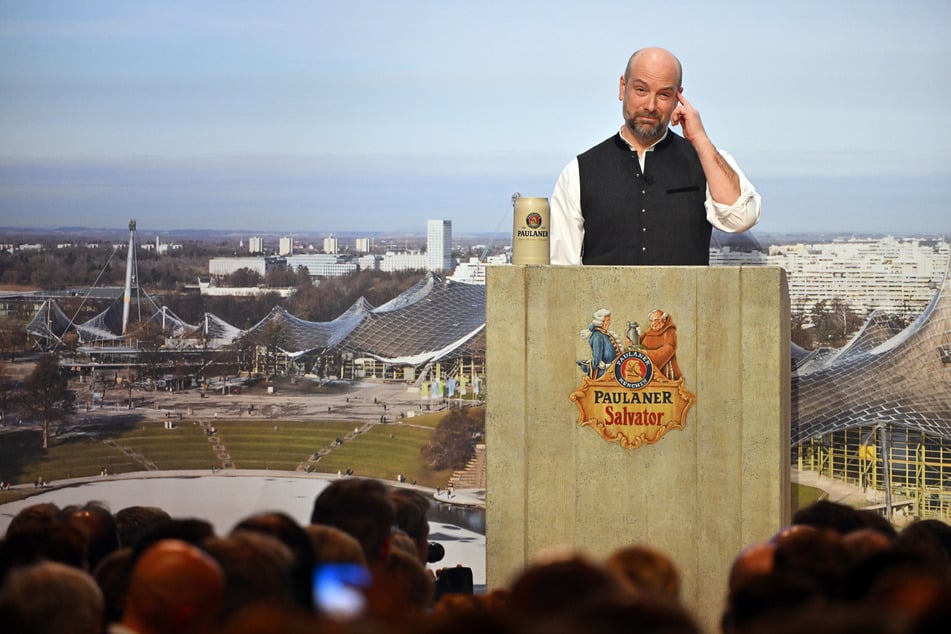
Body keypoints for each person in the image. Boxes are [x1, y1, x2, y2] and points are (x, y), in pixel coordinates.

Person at [550, 47, 761, 266]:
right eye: (641, 90)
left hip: (686, 301)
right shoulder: (578, 172)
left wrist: (701, 140)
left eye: (664, 94)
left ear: (678, 98)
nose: (650, 106)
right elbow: (561, 269)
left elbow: (741, 218)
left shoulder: (705, 160)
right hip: (603, 301)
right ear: (623, 88)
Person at [580, 308, 621, 379]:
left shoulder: (605, 333)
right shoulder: (597, 336)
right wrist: (607, 366)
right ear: (601, 322)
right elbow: (597, 361)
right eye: (607, 320)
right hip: (604, 374)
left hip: (613, 371)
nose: (609, 323)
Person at [639, 309, 680, 379]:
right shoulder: (649, 331)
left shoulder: (669, 331)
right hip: (646, 366)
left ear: (663, 320)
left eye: (656, 320)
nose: (653, 323)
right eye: (651, 321)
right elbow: (639, 342)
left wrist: (647, 353)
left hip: (664, 370)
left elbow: (668, 349)